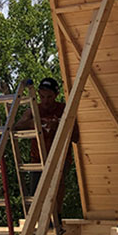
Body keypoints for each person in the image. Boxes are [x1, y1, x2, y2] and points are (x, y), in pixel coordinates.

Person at [15, 77, 78, 217]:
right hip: (38, 160)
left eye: (49, 97)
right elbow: (16, 126)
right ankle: (35, 221)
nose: (46, 101)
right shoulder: (34, 109)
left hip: (60, 158)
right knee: (36, 193)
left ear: (56, 95)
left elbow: (76, 137)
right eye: (42, 96)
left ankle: (56, 217)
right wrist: (33, 123)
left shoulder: (64, 109)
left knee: (56, 186)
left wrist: (61, 126)